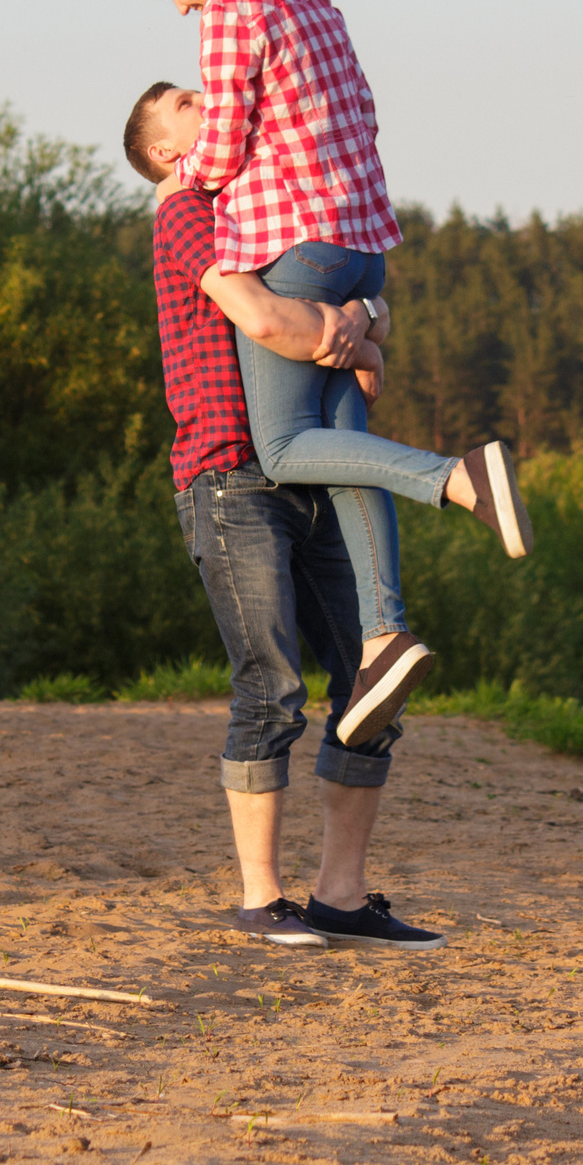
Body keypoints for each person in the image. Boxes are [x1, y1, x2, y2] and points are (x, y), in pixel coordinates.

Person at [121, 0, 530, 750]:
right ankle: (385, 634)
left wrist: (179, 184)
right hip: (360, 246)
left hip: (293, 240)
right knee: (345, 448)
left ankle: (459, 478)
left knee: (285, 446)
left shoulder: (236, 13)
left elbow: (226, 147)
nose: (181, 11)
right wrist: (364, 324)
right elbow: (362, 114)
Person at [133, 97, 445, 951]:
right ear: (164, 148)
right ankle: (261, 896)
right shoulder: (189, 214)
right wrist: (362, 339)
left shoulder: (251, 209)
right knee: (270, 684)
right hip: (234, 474)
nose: (213, 103)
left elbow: (336, 292)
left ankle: (341, 895)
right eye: (187, 105)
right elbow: (269, 319)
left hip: (312, 470)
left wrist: (365, 317)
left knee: (371, 686)